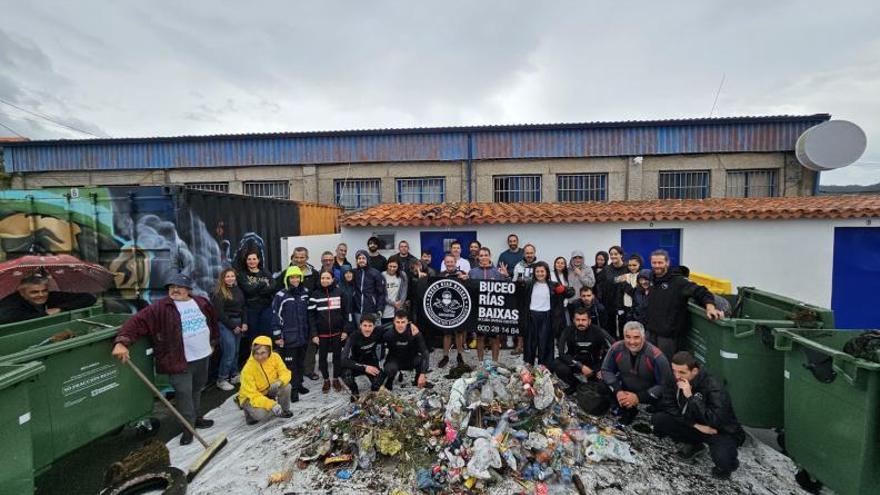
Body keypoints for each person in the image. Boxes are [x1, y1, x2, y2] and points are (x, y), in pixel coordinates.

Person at [112, 273, 219, 445]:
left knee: (197, 389)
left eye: (179, 287)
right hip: (179, 360)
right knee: (184, 394)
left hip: (202, 357)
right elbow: (137, 322)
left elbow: (212, 322)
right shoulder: (161, 307)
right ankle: (188, 427)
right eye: (171, 287)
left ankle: (196, 418)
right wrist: (122, 342)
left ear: (188, 289)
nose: (175, 290)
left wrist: (212, 342)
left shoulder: (201, 302)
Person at [652, 351, 745, 479]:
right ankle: (694, 444)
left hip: (718, 430)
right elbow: (669, 406)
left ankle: (728, 463)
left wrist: (691, 398)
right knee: (659, 420)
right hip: (696, 425)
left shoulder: (713, 386)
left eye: (682, 373)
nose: (677, 376)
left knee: (724, 460)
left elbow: (716, 419)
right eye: (674, 371)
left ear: (694, 371)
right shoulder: (673, 378)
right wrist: (694, 425)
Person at [645, 249, 724, 357]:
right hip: (651, 332)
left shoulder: (679, 282)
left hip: (668, 337)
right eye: (654, 263)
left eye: (660, 262)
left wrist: (710, 307)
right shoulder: (652, 279)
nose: (657, 265)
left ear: (667, 263)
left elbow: (702, 292)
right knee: (651, 362)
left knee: (666, 366)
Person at [601, 321, 672, 425]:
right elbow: (606, 370)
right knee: (602, 384)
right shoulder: (616, 348)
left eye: (636, 337)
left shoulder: (656, 356)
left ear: (643, 338)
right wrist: (618, 391)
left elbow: (664, 384)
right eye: (628, 337)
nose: (632, 341)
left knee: (663, 407)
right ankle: (627, 408)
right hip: (625, 387)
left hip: (648, 392)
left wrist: (638, 397)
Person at [271, 266, 312, 398]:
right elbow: (275, 316)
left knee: (300, 362)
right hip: (289, 337)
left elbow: (309, 313)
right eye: (292, 277)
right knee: (290, 365)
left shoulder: (305, 293)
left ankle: (299, 384)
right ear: (287, 279)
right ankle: (292, 389)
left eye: (297, 277)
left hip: (303, 335)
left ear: (301, 278)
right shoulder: (281, 295)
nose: (295, 280)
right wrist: (277, 336)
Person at [552, 308, 614, 394]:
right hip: (575, 364)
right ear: (573, 320)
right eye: (578, 320)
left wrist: (601, 369)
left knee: (603, 386)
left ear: (589, 321)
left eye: (584, 320)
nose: (581, 323)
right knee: (557, 364)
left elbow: (614, 348)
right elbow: (561, 353)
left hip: (594, 366)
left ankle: (592, 384)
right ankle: (576, 385)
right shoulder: (568, 331)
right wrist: (580, 366)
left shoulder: (598, 331)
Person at [310, 271, 354, 393]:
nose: (325, 280)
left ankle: (335, 378)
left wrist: (345, 330)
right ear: (320, 279)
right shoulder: (315, 294)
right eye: (322, 278)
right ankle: (326, 380)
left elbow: (347, 314)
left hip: (337, 333)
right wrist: (314, 334)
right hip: (321, 334)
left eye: (327, 278)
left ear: (332, 279)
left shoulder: (340, 293)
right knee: (322, 358)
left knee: (337, 357)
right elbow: (311, 316)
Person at [524, 262, 573, 367]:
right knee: (530, 343)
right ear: (534, 273)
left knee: (545, 342)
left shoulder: (553, 285)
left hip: (547, 316)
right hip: (531, 316)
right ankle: (529, 365)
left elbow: (570, 293)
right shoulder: (528, 284)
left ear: (546, 272)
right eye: (537, 271)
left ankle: (544, 366)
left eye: (542, 271)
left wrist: (564, 289)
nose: (540, 274)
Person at [0, 273, 97, 325]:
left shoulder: (50, 296)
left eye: (44, 290)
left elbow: (89, 298)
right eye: (34, 292)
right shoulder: (10, 303)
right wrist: (45, 314)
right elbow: (8, 318)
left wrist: (60, 309)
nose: (41, 295)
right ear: (22, 293)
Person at [238, 336, 294, 424]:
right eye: (256, 353)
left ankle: (284, 410)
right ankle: (248, 411)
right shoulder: (247, 369)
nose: (259, 357)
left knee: (287, 386)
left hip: (268, 390)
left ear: (269, 351)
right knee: (261, 414)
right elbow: (253, 395)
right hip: (251, 396)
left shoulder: (275, 357)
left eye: (263, 353)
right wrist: (271, 404)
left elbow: (285, 372)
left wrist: (279, 381)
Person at [284, 247, 320, 381]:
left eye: (302, 257)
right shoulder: (286, 273)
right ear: (293, 257)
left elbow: (318, 291)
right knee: (295, 343)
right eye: (296, 257)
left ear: (307, 258)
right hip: (293, 315)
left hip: (310, 313)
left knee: (311, 342)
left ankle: (309, 370)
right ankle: (295, 370)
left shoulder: (314, 274)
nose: (299, 260)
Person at [468, 247, 509, 363]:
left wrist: (506, 276)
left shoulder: (498, 271)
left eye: (486, 255)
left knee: (495, 337)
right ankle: (480, 362)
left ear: (490, 256)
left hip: (494, 309)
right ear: (478, 257)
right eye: (481, 255)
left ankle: (495, 362)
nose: (484, 257)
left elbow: (509, 290)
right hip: (479, 310)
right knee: (480, 337)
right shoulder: (472, 272)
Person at [211, 268, 248, 391]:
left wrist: (244, 323)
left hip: (238, 323)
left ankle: (235, 375)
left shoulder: (238, 290)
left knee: (236, 351)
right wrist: (233, 326)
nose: (230, 278)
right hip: (226, 325)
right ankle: (222, 379)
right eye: (227, 276)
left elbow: (243, 308)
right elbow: (220, 314)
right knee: (229, 352)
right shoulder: (219, 293)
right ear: (223, 278)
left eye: (232, 276)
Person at [237, 251, 276, 364]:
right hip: (251, 309)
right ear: (246, 261)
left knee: (267, 334)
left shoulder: (265, 272)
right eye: (249, 259)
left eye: (254, 259)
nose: (252, 261)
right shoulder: (242, 274)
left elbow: (273, 287)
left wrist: (256, 289)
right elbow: (248, 290)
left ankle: (268, 360)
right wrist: (263, 284)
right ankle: (254, 361)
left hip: (266, 308)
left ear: (258, 260)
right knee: (253, 336)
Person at [382, 310, 430, 391]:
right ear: (394, 322)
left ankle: (417, 380)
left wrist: (423, 374)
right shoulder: (388, 333)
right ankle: (389, 381)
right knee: (390, 368)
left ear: (408, 322)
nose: (400, 325)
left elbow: (425, 351)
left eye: (403, 322)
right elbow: (373, 333)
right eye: (398, 322)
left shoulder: (415, 332)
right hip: (394, 360)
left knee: (422, 359)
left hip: (410, 359)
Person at [340, 314, 386, 397]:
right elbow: (343, 360)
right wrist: (364, 367)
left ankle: (374, 391)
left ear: (374, 326)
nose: (367, 329)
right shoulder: (354, 336)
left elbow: (393, 324)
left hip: (371, 361)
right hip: (356, 362)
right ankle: (354, 391)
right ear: (360, 326)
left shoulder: (378, 331)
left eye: (370, 326)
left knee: (379, 379)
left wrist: (410, 325)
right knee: (346, 375)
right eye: (365, 325)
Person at [436, 254, 468, 368]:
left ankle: (460, 355)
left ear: (455, 262)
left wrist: (465, 278)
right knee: (447, 334)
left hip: (459, 309)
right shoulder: (440, 275)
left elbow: (469, 287)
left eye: (451, 262)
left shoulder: (462, 274)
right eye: (447, 262)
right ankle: (445, 356)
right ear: (444, 263)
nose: (449, 264)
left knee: (459, 333)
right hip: (445, 310)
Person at [511, 244, 538, 355]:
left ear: (534, 253)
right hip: (522, 299)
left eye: (531, 253)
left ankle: (535, 348)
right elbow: (514, 281)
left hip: (537, 299)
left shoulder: (539, 265)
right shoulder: (518, 266)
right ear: (524, 254)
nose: (529, 255)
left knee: (536, 324)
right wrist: (518, 283)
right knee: (522, 323)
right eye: (527, 253)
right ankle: (519, 346)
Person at [599, 246, 628, 339]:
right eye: (611, 254)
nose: (613, 256)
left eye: (616, 254)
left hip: (624, 303)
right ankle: (613, 348)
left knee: (623, 327)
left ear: (621, 255)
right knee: (610, 328)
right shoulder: (606, 269)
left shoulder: (627, 268)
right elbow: (601, 284)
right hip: (609, 302)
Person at [352, 250, 386, 324]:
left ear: (367, 259)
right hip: (358, 311)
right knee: (360, 333)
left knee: (374, 333)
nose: (361, 260)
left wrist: (379, 309)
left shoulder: (375, 273)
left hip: (372, 311)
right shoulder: (354, 272)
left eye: (363, 258)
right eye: (359, 258)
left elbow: (381, 293)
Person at [549, 256, 574, 336]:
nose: (560, 265)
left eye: (562, 263)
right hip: (554, 304)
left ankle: (562, 342)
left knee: (565, 323)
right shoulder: (550, 274)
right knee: (555, 324)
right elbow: (552, 289)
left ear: (565, 265)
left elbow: (570, 290)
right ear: (554, 264)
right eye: (558, 263)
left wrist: (565, 293)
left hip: (565, 304)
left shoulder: (567, 275)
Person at [380, 259, 408, 325]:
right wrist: (393, 303)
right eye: (390, 266)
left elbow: (404, 290)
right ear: (387, 265)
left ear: (398, 267)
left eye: (394, 266)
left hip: (399, 309)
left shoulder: (402, 275)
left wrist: (400, 303)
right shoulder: (382, 275)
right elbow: (381, 294)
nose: (392, 268)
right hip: (385, 311)